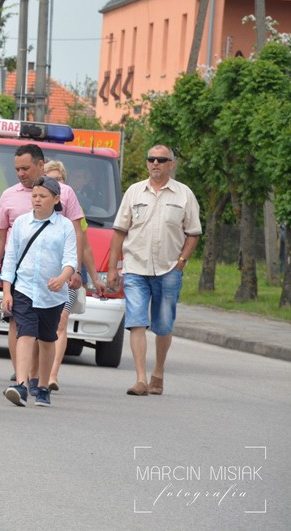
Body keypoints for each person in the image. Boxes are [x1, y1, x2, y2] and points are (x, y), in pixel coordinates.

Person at [0, 144, 86, 390]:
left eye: (26, 168)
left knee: (47, 335)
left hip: (53, 283)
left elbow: (77, 238)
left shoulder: (66, 197)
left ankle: (40, 380)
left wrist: (73, 273)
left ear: (41, 165)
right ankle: (20, 378)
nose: (20, 173)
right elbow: (2, 245)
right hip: (21, 279)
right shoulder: (10, 200)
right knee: (19, 327)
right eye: (17, 169)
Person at [107, 145, 201, 397]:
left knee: (163, 325)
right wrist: (113, 267)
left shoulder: (184, 194)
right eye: (151, 159)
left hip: (169, 269)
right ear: (147, 163)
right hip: (136, 267)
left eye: (161, 159)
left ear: (172, 164)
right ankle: (140, 379)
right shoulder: (134, 191)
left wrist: (181, 261)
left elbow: (193, 233)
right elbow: (119, 232)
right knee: (137, 321)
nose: (156, 163)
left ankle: (157, 372)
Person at [0, 176, 77, 408]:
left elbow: (70, 259)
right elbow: (10, 258)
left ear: (56, 199)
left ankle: (42, 387)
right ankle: (21, 385)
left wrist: (62, 279)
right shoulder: (22, 223)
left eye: (42, 196)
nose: (37, 200)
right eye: (34, 195)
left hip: (52, 293)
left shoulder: (65, 227)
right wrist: (6, 291)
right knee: (25, 333)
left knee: (46, 339)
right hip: (24, 289)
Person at [42, 160, 106, 391]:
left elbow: (85, 244)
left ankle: (52, 375)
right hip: (42, 273)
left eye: (58, 180)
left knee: (61, 322)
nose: (54, 184)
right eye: (50, 178)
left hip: (69, 271)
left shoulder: (74, 213)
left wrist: (92, 276)